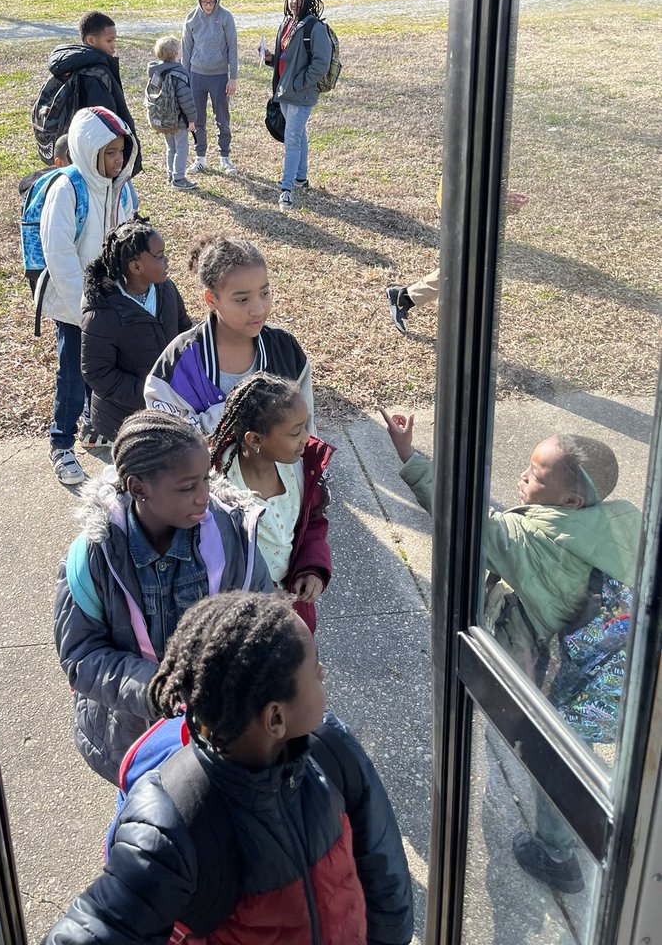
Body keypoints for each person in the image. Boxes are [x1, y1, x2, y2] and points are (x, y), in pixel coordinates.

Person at [42, 591, 414, 945]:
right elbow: (98, 926)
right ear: (276, 719)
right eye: (315, 669)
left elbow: (383, 866)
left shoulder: (331, 748)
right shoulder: (174, 821)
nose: (324, 673)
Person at [380, 409, 640, 892]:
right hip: (620, 669)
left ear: (572, 499)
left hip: (564, 676)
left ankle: (556, 855)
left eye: (535, 474)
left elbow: (469, 518)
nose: (522, 475)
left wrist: (410, 456)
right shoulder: (619, 523)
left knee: (552, 759)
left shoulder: (536, 543)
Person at [53, 411, 274, 784]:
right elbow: (82, 655)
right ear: (138, 488)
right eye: (187, 487)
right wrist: (157, 690)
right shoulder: (93, 557)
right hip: (132, 738)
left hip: (220, 730)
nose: (204, 495)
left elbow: (264, 621)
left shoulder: (231, 537)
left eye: (205, 478)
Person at [38, 106, 138, 485]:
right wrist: (84, 307)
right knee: (73, 373)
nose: (117, 160)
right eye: (109, 153)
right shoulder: (67, 189)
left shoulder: (123, 188)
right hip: (73, 305)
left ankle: (90, 422)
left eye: (121, 152)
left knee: (102, 367)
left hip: (110, 300)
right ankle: (60, 444)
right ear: (88, 150)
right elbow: (59, 253)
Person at [144, 235, 313, 435]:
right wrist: (239, 413)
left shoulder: (285, 348)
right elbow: (168, 442)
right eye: (242, 299)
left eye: (264, 293)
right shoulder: (179, 361)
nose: (258, 309)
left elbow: (306, 429)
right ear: (211, 299)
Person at [209, 372, 333, 631]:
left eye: (306, 426)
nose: (307, 439)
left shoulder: (301, 469)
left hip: (293, 608)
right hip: (241, 617)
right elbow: (211, 560)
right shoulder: (216, 485)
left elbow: (312, 524)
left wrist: (311, 569)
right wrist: (259, 594)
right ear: (254, 439)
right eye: (296, 432)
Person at [80, 217, 192, 444]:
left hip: (168, 408)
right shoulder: (102, 313)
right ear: (136, 267)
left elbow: (184, 329)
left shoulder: (166, 289)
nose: (167, 260)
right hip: (125, 420)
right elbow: (97, 373)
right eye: (159, 256)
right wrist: (150, 393)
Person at [386, 190, 528, 335]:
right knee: (465, 266)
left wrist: (500, 195)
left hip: (466, 204)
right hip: (462, 205)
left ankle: (406, 298)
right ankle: (406, 298)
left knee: (468, 265)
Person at [42, 10, 142, 173]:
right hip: (99, 160)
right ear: (91, 40)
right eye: (109, 40)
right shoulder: (95, 74)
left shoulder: (75, 63)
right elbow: (105, 122)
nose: (113, 46)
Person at [264, 0, 331, 211]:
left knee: (292, 139)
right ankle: (301, 178)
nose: (295, 2)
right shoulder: (287, 23)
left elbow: (321, 64)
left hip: (300, 94)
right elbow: (288, 58)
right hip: (284, 91)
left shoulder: (315, 28)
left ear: (309, 0)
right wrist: (271, 59)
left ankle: (286, 190)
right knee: (298, 134)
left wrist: (299, 83)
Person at [182, 0, 239, 177]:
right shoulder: (191, 18)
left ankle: (225, 157)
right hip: (196, 75)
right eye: (205, 1)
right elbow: (186, 49)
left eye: (212, 1)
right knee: (197, 118)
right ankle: (200, 158)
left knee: (222, 118)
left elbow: (232, 47)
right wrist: (184, 78)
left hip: (219, 75)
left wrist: (233, 77)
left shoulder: (225, 17)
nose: (208, 5)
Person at [145, 34, 198, 191]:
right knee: (182, 148)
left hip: (163, 118)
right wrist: (192, 120)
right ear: (175, 54)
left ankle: (170, 175)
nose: (181, 50)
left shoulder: (157, 72)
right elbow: (186, 100)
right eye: (180, 48)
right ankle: (179, 178)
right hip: (179, 120)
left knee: (171, 148)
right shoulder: (179, 74)